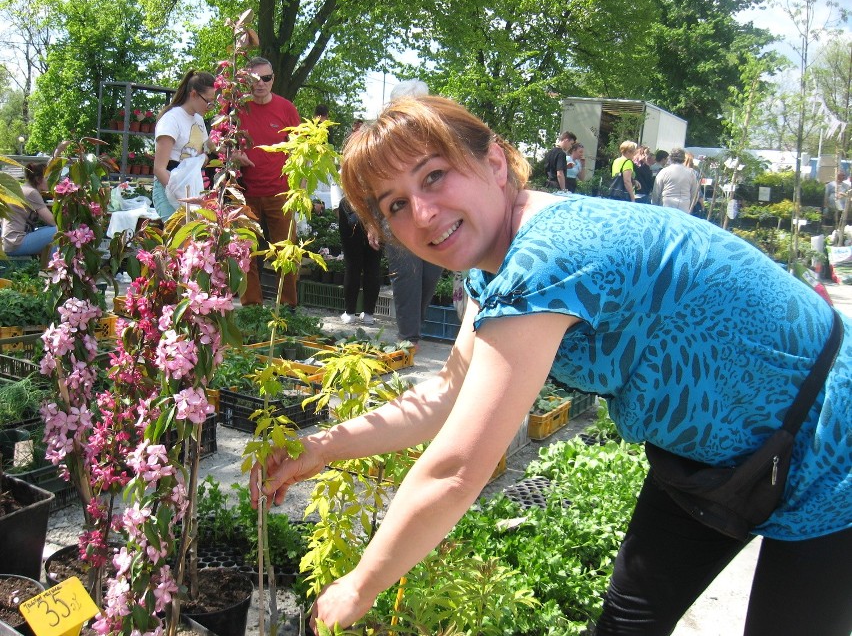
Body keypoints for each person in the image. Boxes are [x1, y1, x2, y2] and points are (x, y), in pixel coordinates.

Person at [250, 96, 852, 635]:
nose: (423, 213)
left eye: (434, 175)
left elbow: (457, 470)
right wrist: (320, 448)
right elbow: (445, 396)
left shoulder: (548, 257)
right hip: (717, 456)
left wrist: (362, 584)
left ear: (494, 161)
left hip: (833, 443)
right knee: (626, 625)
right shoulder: (496, 269)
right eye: (396, 204)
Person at [232, 56, 302, 307]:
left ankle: (288, 309)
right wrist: (232, 155)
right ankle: (252, 309)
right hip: (245, 194)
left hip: (280, 195)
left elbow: (300, 151)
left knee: (286, 253)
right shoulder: (236, 108)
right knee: (246, 255)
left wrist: (300, 192)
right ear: (245, 80)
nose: (260, 84)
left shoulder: (286, 109)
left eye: (266, 78)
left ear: (273, 79)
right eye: (253, 79)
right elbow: (219, 144)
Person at [385, 79, 444, 348]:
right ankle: (409, 337)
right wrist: (375, 224)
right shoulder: (384, 140)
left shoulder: (435, 137)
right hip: (398, 217)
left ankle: (414, 329)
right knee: (408, 274)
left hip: (433, 215)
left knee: (430, 274)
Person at [152, 70, 216, 221]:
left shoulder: (199, 120)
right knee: (176, 240)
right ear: (193, 94)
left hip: (191, 189)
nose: (210, 106)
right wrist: (178, 195)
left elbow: (200, 154)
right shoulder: (171, 119)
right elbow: (159, 169)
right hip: (168, 189)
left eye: (213, 102)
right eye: (208, 101)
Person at [337, 121, 382, 325]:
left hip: (352, 210)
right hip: (375, 211)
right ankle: (369, 314)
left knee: (353, 263)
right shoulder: (380, 158)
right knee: (372, 263)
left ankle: (349, 313)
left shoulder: (350, 157)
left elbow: (341, 184)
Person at [1, 162, 56, 264]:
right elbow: (53, 222)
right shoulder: (31, 192)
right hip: (16, 243)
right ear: (38, 179)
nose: (51, 181)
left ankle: (48, 270)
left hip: (9, 242)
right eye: (48, 178)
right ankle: (52, 270)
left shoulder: (24, 189)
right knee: (58, 232)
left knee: (49, 231)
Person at [651, 147, 699, 212]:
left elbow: (656, 192)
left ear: (670, 158)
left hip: (667, 204)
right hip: (684, 205)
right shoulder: (691, 173)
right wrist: (690, 205)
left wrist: (655, 205)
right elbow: (694, 193)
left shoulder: (664, 171)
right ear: (683, 159)